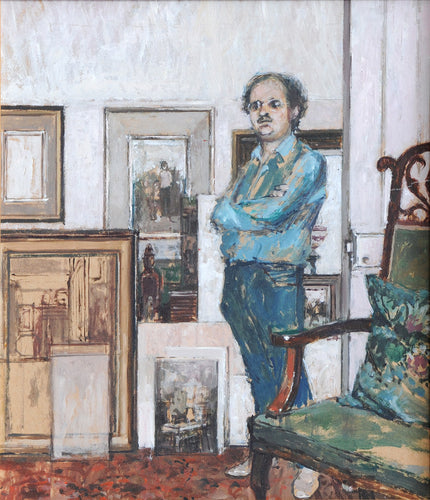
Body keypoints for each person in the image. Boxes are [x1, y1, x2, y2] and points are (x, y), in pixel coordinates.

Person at [211, 72, 326, 498]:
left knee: (288, 368)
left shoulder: (307, 162)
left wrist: (235, 214)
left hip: (278, 276)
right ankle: (263, 450)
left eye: (273, 104)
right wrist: (241, 217)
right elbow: (230, 222)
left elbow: (269, 213)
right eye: (256, 105)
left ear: (293, 111)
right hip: (239, 276)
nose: (263, 112)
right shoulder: (252, 164)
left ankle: (307, 461)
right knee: (257, 367)